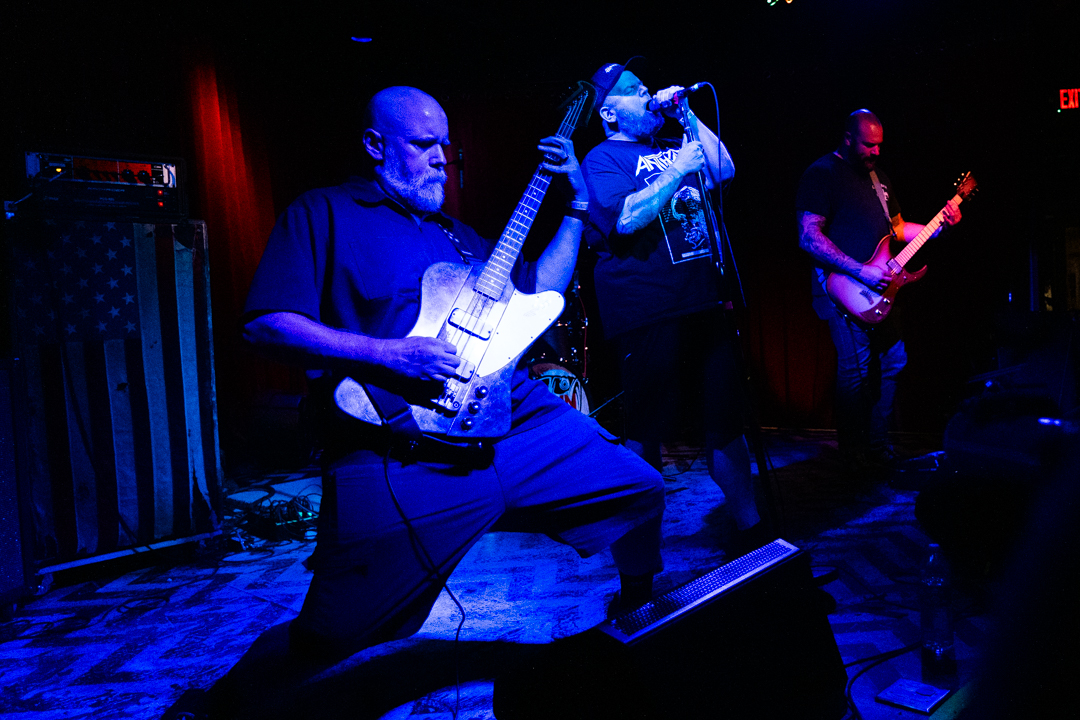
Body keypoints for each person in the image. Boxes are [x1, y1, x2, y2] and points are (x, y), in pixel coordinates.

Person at [164, 86, 665, 720]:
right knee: (334, 634)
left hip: (517, 424)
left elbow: (539, 289)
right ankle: (216, 708)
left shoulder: (459, 235)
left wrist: (575, 203)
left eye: (445, 147)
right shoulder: (324, 212)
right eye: (423, 144)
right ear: (376, 146)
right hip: (399, 444)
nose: (440, 159)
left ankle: (639, 616)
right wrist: (386, 354)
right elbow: (267, 325)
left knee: (639, 488)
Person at [580, 61, 765, 553]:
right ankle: (639, 566)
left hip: (704, 301)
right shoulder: (601, 158)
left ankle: (753, 536)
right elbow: (624, 219)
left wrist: (685, 114)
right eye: (633, 90)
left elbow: (724, 169)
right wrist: (679, 169)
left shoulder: (673, 142)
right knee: (646, 434)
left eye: (645, 85)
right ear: (609, 113)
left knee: (726, 427)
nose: (646, 93)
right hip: (648, 311)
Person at [795, 109, 961, 473]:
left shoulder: (879, 178)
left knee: (894, 361)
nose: (876, 151)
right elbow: (809, 237)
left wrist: (940, 226)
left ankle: (877, 445)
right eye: (869, 145)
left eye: (880, 145)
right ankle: (852, 453)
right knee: (855, 373)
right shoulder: (822, 174)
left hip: (882, 288)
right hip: (842, 288)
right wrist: (860, 270)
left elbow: (897, 229)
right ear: (848, 139)